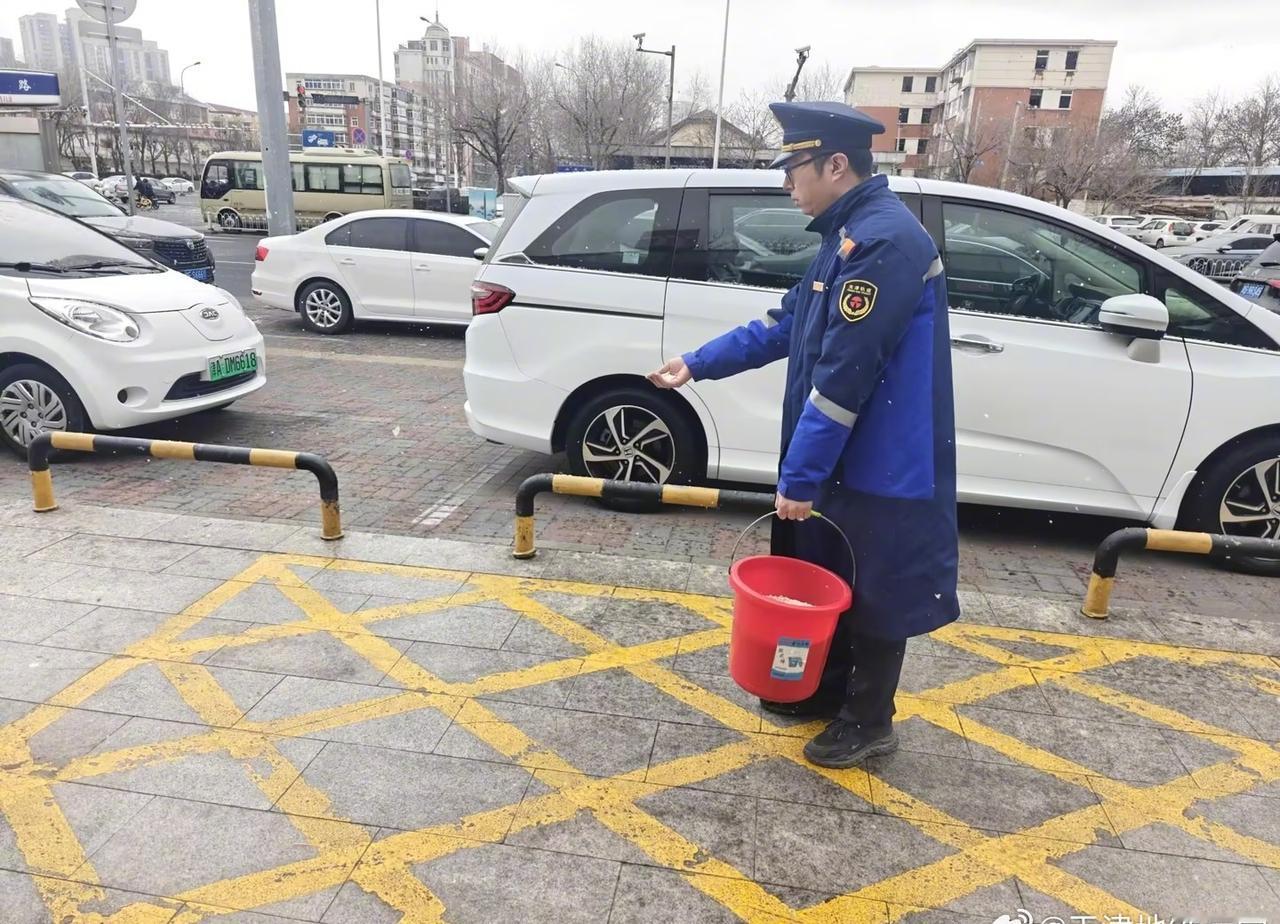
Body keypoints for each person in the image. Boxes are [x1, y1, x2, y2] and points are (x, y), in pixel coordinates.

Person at [649, 100, 960, 769]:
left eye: (794, 170)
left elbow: (845, 378)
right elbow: (787, 324)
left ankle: (869, 719)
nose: (787, 184)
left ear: (836, 165)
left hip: (879, 461)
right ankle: (825, 691)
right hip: (848, 457)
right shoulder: (845, 236)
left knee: (874, 591)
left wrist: (800, 477)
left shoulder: (882, 244)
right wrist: (698, 363)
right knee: (831, 577)